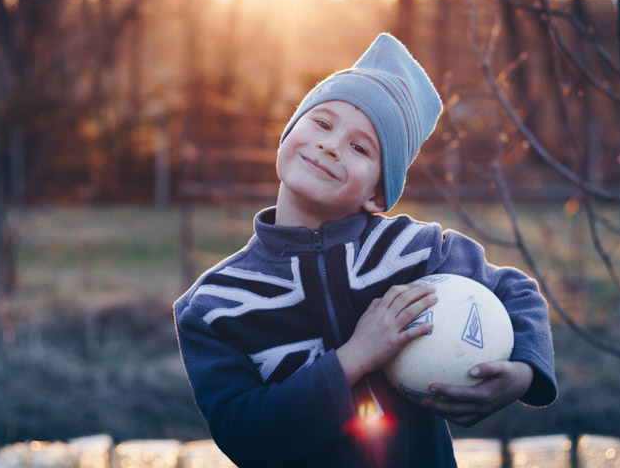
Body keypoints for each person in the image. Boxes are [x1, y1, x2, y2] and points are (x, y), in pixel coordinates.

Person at [173, 33, 557, 468]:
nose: (331, 144)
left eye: (360, 147)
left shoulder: (416, 252)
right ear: (287, 133)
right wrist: (353, 358)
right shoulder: (214, 306)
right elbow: (242, 434)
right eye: (321, 123)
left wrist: (522, 375)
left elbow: (517, 291)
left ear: (378, 194)